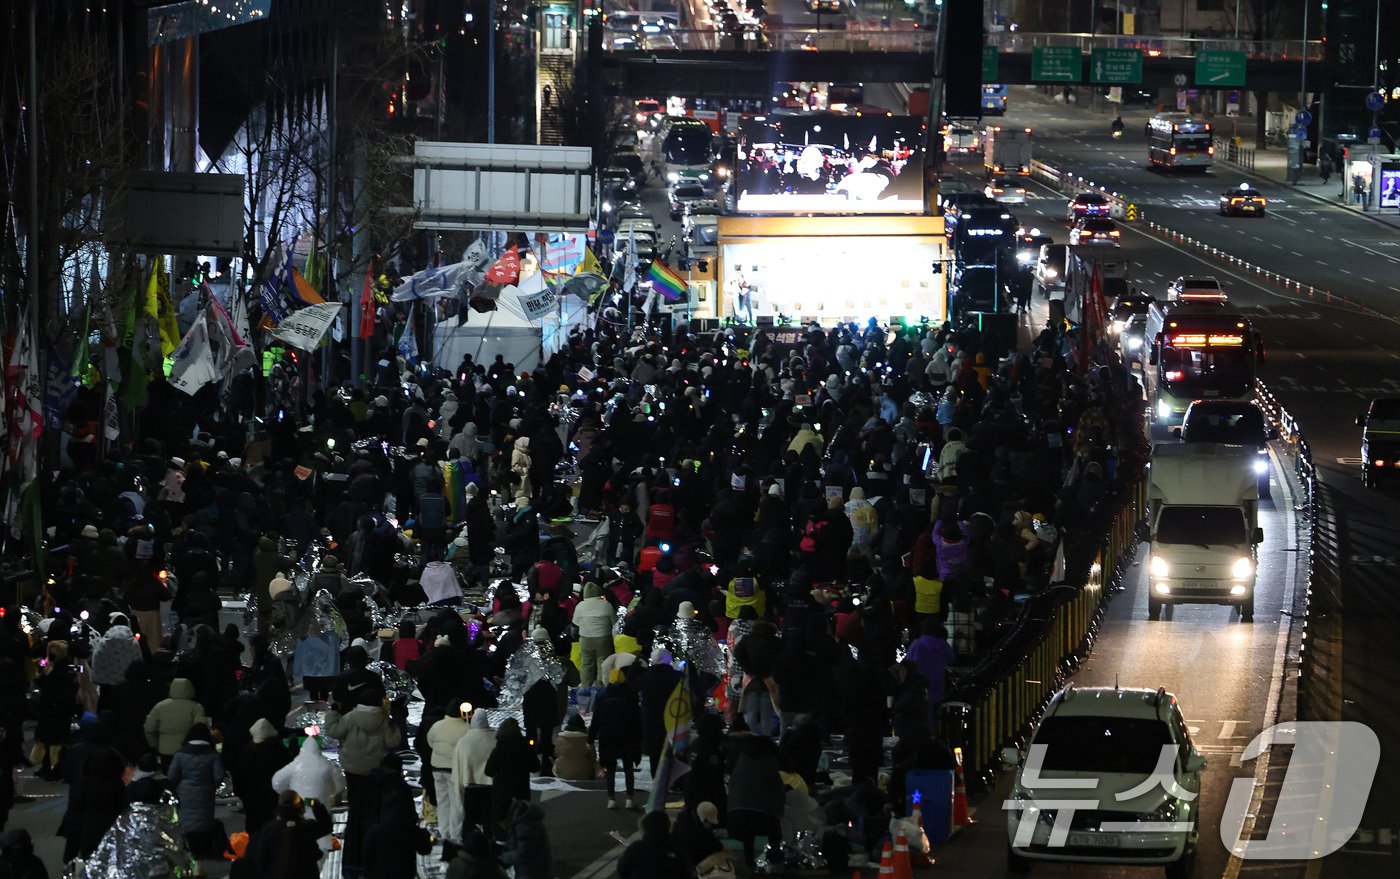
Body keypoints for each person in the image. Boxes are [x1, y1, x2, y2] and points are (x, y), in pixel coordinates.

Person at [324, 686, 401, 877]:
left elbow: (334, 731)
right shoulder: (382, 720)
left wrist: (332, 714)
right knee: (373, 809)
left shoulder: (350, 717)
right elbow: (393, 741)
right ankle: (372, 852)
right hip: (375, 770)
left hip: (353, 769)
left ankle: (353, 858)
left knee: (356, 809)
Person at [167, 723, 226, 864]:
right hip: (205, 792)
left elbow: (172, 775)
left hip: (184, 792)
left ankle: (190, 849)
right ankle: (204, 850)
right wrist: (211, 786)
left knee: (187, 820)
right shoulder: (212, 754)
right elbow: (219, 775)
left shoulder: (180, 754)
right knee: (204, 820)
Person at [251, 790, 334, 879]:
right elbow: (326, 826)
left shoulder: (269, 829)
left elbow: (261, 860)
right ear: (300, 807)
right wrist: (317, 806)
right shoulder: (307, 827)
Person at [426, 701, 473, 852]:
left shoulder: (437, 726)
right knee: (457, 801)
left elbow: (430, 742)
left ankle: (444, 830)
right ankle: (455, 834)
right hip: (454, 769)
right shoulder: (466, 728)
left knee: (442, 800)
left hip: (437, 767)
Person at [484, 717, 538, 831]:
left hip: (502, 791)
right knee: (521, 819)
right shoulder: (526, 747)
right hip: (521, 789)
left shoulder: (499, 749)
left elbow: (488, 771)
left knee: (503, 821)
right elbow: (535, 767)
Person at [143, 677, 208, 770]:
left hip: (165, 750)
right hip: (189, 751)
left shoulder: (160, 707)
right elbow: (201, 728)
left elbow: (149, 728)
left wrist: (154, 744)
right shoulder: (196, 707)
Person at [451, 710, 497, 837]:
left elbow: (459, 763)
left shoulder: (465, 741)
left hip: (471, 785)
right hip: (490, 785)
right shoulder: (495, 738)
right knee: (489, 818)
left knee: (470, 819)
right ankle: (489, 844)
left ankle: (469, 843)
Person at [616, 810, 692, 879]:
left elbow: (622, 870)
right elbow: (686, 872)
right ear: (668, 827)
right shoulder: (677, 849)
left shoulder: (636, 848)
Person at [500, 799, 553, 879]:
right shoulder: (520, 822)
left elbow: (522, 854)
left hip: (534, 873)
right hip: (533, 870)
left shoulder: (525, 827)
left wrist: (504, 857)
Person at [552, 712, 598, 781]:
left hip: (564, 774)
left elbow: (556, 753)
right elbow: (593, 757)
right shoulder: (586, 739)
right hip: (584, 773)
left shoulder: (560, 738)